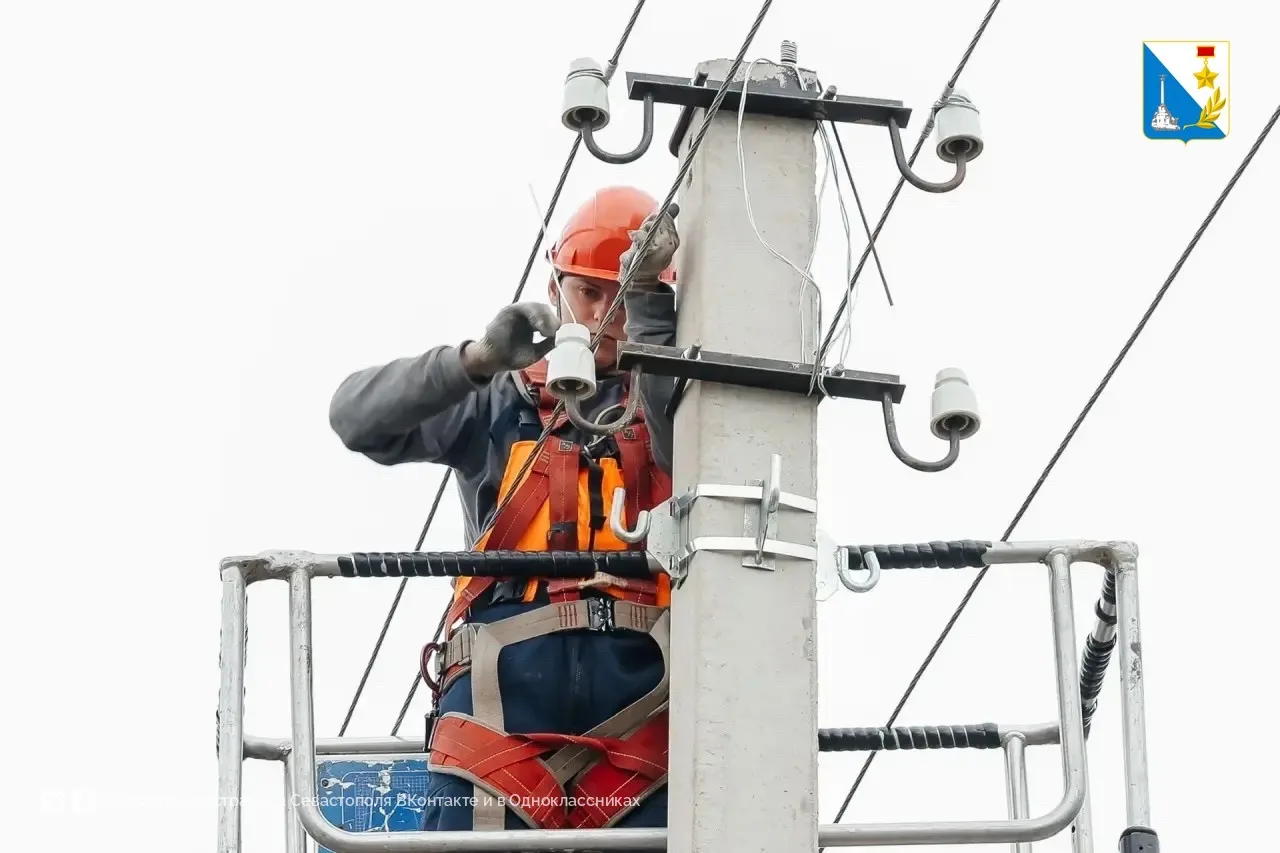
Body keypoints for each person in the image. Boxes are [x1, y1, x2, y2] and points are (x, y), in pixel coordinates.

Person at [328, 185, 681, 832]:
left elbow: (677, 439)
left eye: (624, 298)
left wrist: (652, 308)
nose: (608, 317)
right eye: (590, 292)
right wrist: (477, 362)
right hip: (500, 694)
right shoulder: (500, 403)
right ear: (556, 288)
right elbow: (355, 418)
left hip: (645, 704)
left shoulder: (682, 405)